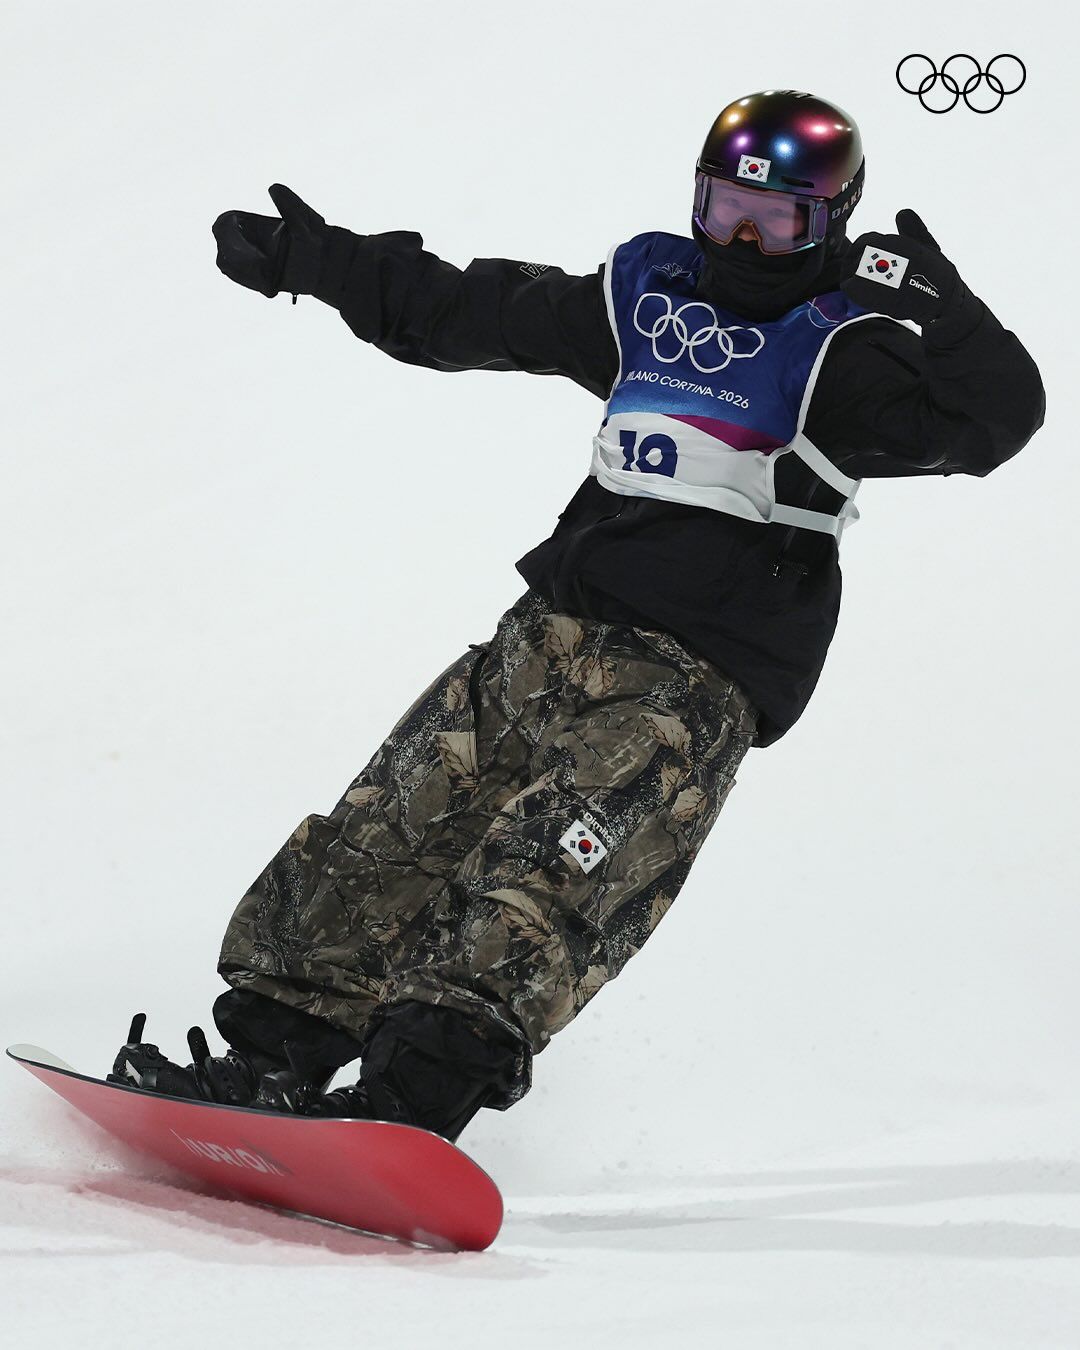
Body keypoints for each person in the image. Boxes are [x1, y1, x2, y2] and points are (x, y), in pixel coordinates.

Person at [110, 89, 1045, 1142]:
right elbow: (470, 311)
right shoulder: (647, 299)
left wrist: (945, 308)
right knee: (392, 825)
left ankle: (407, 1103)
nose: (743, 237)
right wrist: (316, 261)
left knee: (545, 874)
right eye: (726, 205)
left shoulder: (848, 358)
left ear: (828, 224)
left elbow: (994, 421)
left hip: (688, 681)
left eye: (776, 220)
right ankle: (268, 1056)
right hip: (545, 634)